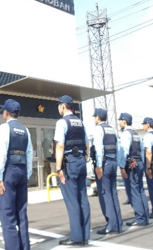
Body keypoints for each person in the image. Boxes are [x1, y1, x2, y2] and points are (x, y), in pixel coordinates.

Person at [0, 99, 33, 250]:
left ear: (6, 113)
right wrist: (28, 174)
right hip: (22, 171)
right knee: (21, 213)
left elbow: (1, 154)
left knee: (8, 213)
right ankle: (25, 247)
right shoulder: (25, 130)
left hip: (9, 171)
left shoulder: (4, 128)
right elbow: (29, 153)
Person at [54, 95, 91, 245]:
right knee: (83, 198)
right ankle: (85, 235)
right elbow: (87, 142)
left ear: (63, 106)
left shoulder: (62, 122)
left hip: (70, 163)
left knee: (72, 200)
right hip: (81, 161)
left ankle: (76, 237)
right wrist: (85, 157)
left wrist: (58, 168)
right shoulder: (80, 122)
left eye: (58, 106)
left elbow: (60, 146)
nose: (58, 109)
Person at [92, 108, 123, 234]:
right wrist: (120, 164)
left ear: (98, 117)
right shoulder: (112, 129)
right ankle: (118, 223)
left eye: (94, 117)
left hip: (104, 163)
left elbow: (99, 148)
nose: (94, 119)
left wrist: (98, 166)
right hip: (113, 162)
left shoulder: (99, 129)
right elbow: (118, 148)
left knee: (105, 194)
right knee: (113, 193)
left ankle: (111, 225)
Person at [118, 113, 149, 227]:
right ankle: (145, 216)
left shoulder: (126, 134)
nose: (119, 123)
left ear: (125, 121)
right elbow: (141, 150)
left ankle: (139, 218)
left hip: (131, 164)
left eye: (120, 120)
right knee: (140, 190)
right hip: (139, 162)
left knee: (134, 192)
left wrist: (121, 166)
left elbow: (124, 150)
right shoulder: (136, 133)